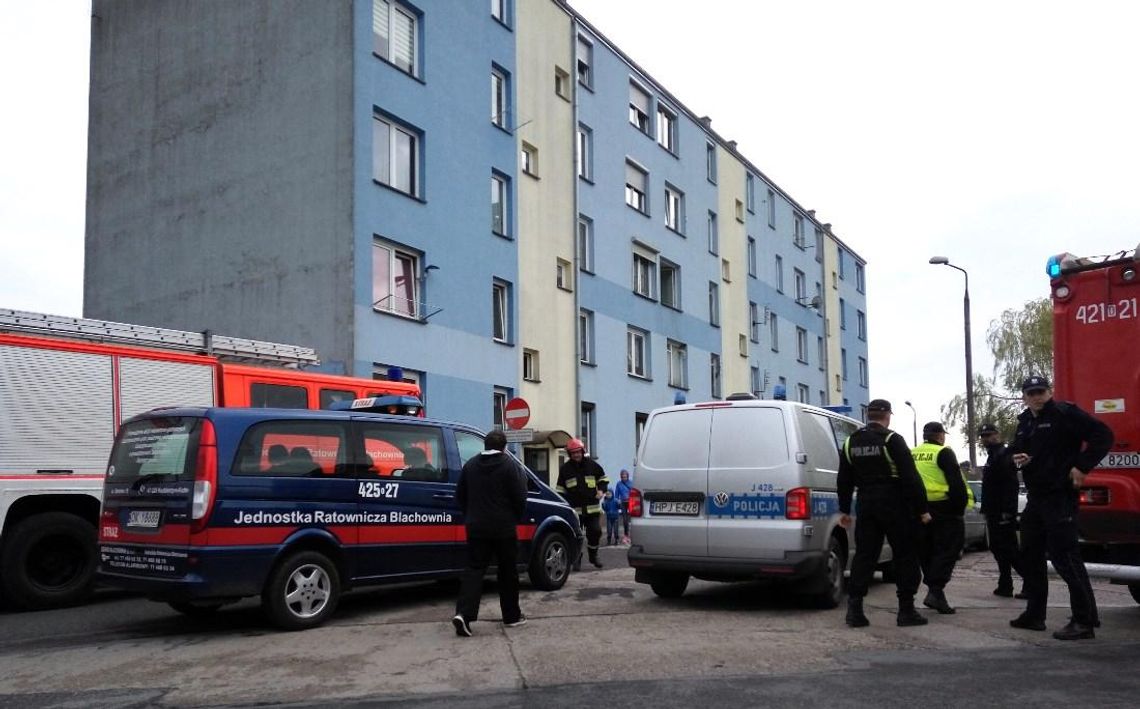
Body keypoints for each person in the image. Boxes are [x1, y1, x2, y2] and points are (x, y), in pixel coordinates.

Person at [1010, 375, 1113, 640]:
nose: (1036, 396)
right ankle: (1034, 615)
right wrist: (1016, 457)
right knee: (1030, 554)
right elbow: (1018, 449)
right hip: (1036, 497)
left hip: (1060, 497)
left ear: (1049, 392)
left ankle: (1084, 621)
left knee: (1065, 557)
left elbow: (1103, 435)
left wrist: (1082, 466)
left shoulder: (1065, 413)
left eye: (1041, 391)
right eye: (1031, 393)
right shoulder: (1025, 421)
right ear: (1024, 396)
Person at [837, 399, 930, 628]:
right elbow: (911, 478)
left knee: (865, 555)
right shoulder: (892, 439)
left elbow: (844, 480)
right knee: (905, 554)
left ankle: (855, 610)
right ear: (888, 415)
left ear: (868, 415)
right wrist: (922, 509)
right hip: (894, 502)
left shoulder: (851, 441)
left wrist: (844, 509)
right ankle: (906, 611)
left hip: (866, 503)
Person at [451, 430, 528, 637]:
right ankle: (511, 616)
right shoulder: (510, 465)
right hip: (503, 528)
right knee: (507, 571)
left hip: (476, 527)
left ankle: (464, 615)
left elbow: (460, 496)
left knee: (474, 570)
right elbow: (520, 496)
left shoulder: (471, 466)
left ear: (484, 446)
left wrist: (470, 516)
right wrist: (515, 518)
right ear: (503, 447)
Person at [911, 421, 968, 615]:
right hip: (944, 509)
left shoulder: (912, 453)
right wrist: (959, 509)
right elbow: (955, 482)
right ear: (940, 435)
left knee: (926, 551)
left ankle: (937, 594)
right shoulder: (943, 452)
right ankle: (935, 590)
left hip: (918, 509)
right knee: (949, 550)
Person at [979, 422, 1025, 598]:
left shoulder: (1003, 455)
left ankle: (1030, 583)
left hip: (1002, 511)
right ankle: (1005, 584)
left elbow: (1010, 484)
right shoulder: (993, 456)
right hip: (994, 510)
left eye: (989, 435)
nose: (986, 438)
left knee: (1010, 549)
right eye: (983, 436)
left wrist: (1007, 510)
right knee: (999, 549)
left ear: (997, 435)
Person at [556, 438, 609, 569]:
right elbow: (560, 490)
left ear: (582, 451)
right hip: (574, 511)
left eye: (578, 452)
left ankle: (593, 555)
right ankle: (576, 557)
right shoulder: (565, 469)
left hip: (592, 510)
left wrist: (601, 490)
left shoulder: (592, 465)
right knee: (574, 536)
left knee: (595, 532)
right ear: (569, 454)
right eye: (573, 453)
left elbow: (603, 479)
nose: (576, 455)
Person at [613, 469, 633, 544]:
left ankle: (631, 536)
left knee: (632, 520)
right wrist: (617, 500)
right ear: (621, 477)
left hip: (631, 503)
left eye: (625, 476)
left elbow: (634, 492)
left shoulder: (631, 483)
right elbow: (616, 495)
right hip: (623, 503)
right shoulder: (619, 484)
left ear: (627, 476)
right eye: (622, 477)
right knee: (625, 520)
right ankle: (626, 535)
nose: (624, 478)